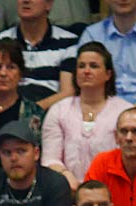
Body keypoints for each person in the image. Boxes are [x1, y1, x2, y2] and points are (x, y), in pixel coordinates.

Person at [40, 42, 129, 190]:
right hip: (67, 189)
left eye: (93, 66)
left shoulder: (124, 112)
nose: (86, 71)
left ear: (108, 74)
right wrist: (68, 178)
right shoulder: (58, 110)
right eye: (81, 66)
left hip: (114, 189)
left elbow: (130, 158)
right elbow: (50, 159)